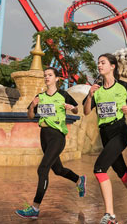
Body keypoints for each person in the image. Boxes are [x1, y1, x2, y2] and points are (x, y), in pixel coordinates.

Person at [83, 53, 127, 223]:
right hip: (105, 134)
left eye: (102, 62)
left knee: (99, 168)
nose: (99, 65)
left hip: (120, 131)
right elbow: (86, 111)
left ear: (112, 66)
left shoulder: (124, 86)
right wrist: (89, 95)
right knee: (121, 172)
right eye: (98, 63)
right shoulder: (96, 90)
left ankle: (110, 215)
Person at [15, 67, 86, 219]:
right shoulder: (40, 96)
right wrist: (33, 105)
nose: (47, 77)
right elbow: (30, 116)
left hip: (57, 137)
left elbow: (75, 110)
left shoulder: (63, 95)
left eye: (50, 75)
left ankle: (35, 208)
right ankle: (79, 180)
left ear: (57, 79)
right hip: (44, 136)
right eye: (45, 75)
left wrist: (71, 108)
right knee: (58, 169)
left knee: (43, 169)